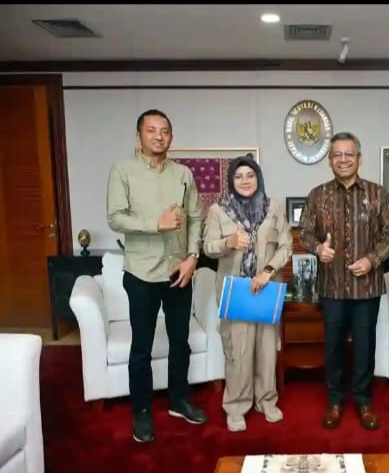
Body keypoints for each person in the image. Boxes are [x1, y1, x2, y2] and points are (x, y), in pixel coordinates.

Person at [106, 109, 206, 443]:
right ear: (139, 136)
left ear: (171, 137)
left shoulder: (183, 174)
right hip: (141, 273)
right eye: (151, 130)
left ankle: (179, 399)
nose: (158, 136)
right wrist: (155, 224)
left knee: (180, 342)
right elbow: (115, 218)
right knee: (141, 347)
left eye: (164, 131)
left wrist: (193, 257)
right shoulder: (123, 171)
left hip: (178, 270)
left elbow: (195, 217)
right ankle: (142, 411)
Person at [299, 131, 389, 431]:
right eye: (337, 155)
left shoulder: (378, 194)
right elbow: (305, 233)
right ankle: (334, 401)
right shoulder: (317, 195)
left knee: (365, 347)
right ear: (330, 160)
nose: (343, 159)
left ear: (359, 158)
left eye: (349, 154)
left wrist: (372, 259)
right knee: (333, 347)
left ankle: (364, 401)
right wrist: (319, 248)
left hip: (366, 288)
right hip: (332, 287)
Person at [202, 155, 293, 433]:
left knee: (267, 348)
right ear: (231, 180)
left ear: (258, 178)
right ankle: (236, 406)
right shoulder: (218, 210)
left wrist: (267, 271)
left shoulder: (272, 207)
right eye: (239, 176)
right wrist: (228, 242)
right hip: (236, 291)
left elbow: (286, 246)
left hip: (266, 287)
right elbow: (207, 247)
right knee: (238, 351)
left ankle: (266, 401)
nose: (245, 180)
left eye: (250, 175)